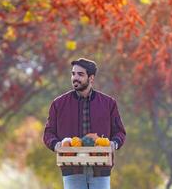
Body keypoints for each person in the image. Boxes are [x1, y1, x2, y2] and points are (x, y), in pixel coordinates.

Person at [43, 58, 126, 189]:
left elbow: (120, 132)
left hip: (101, 168)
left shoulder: (109, 103)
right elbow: (48, 133)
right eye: (73, 74)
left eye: (80, 74)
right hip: (71, 168)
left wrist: (113, 144)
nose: (75, 78)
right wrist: (56, 145)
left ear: (91, 78)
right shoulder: (58, 104)